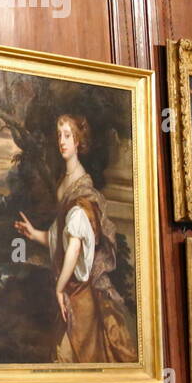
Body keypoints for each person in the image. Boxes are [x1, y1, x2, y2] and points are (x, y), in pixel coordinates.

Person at [13, 114, 137, 363]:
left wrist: (60, 287)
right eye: (59, 135)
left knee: (73, 356)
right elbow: (63, 239)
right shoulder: (65, 183)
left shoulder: (82, 195)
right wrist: (35, 234)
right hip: (68, 287)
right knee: (63, 356)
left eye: (68, 136)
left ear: (79, 141)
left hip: (79, 291)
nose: (62, 141)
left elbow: (74, 248)